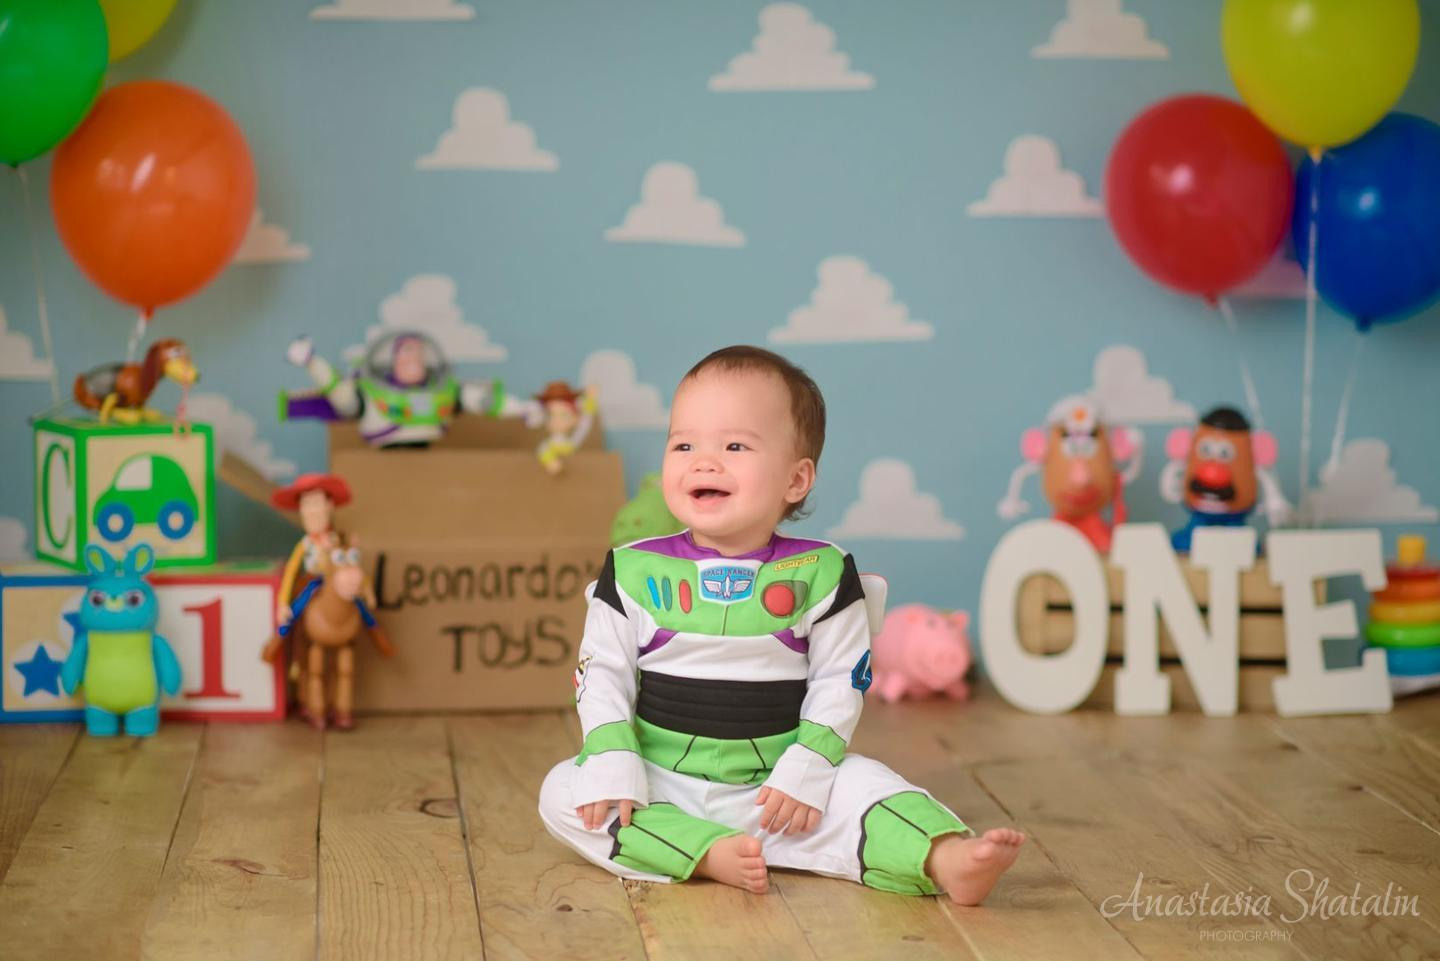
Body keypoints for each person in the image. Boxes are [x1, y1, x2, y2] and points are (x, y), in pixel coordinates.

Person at [538, 345, 1025, 903]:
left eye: (735, 445)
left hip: (780, 787)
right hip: (660, 778)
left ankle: (945, 857)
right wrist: (614, 758)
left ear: (796, 479)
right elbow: (601, 674)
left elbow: (842, 678)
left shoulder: (820, 573)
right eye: (684, 444)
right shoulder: (632, 569)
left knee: (866, 785)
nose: (704, 460)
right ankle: (706, 850)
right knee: (564, 791)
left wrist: (810, 767)